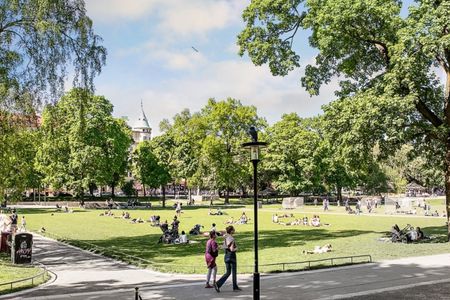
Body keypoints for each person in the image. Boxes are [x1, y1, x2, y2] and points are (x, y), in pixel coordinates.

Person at [214, 225, 241, 292]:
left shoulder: (225, 238)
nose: (234, 230)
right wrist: (236, 248)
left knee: (228, 272)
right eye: (233, 229)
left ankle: (218, 284)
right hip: (232, 257)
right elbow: (232, 249)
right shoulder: (231, 238)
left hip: (226, 256)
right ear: (231, 231)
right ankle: (235, 287)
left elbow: (223, 247)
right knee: (234, 272)